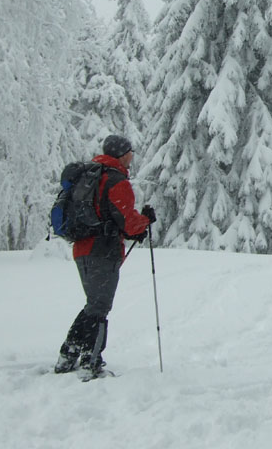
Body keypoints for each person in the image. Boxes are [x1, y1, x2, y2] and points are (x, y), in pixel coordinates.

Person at [54, 134, 156, 375]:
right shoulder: (115, 180)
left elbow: (110, 218)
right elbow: (129, 223)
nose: (132, 156)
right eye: (130, 152)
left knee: (94, 305)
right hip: (103, 251)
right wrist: (146, 220)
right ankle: (91, 361)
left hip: (82, 248)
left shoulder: (92, 176)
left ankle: (68, 355)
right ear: (121, 154)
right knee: (100, 306)